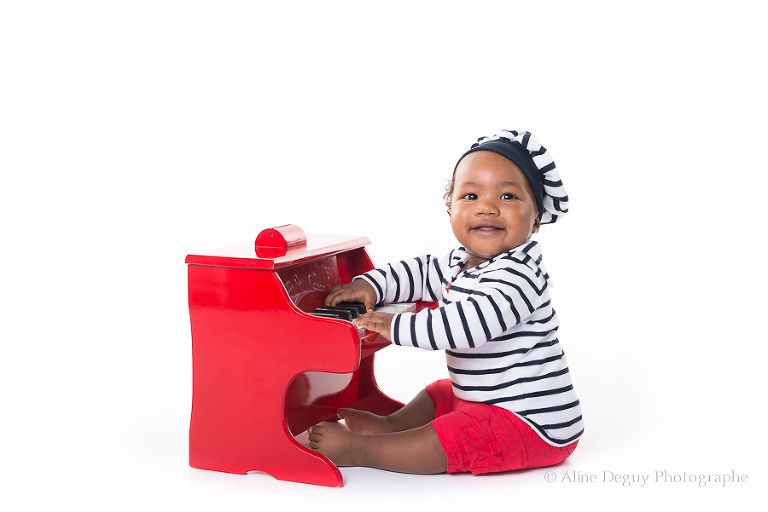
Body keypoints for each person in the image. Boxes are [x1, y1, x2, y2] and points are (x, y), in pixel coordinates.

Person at [308, 130, 584, 475]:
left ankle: (364, 450)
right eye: (471, 195)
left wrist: (396, 326)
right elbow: (420, 272)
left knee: (458, 434)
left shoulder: (520, 276)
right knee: (442, 392)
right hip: (489, 401)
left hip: (532, 423)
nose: (487, 206)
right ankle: (393, 427)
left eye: (509, 196)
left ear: (537, 219)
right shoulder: (460, 261)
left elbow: (464, 327)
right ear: (450, 209)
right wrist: (372, 286)